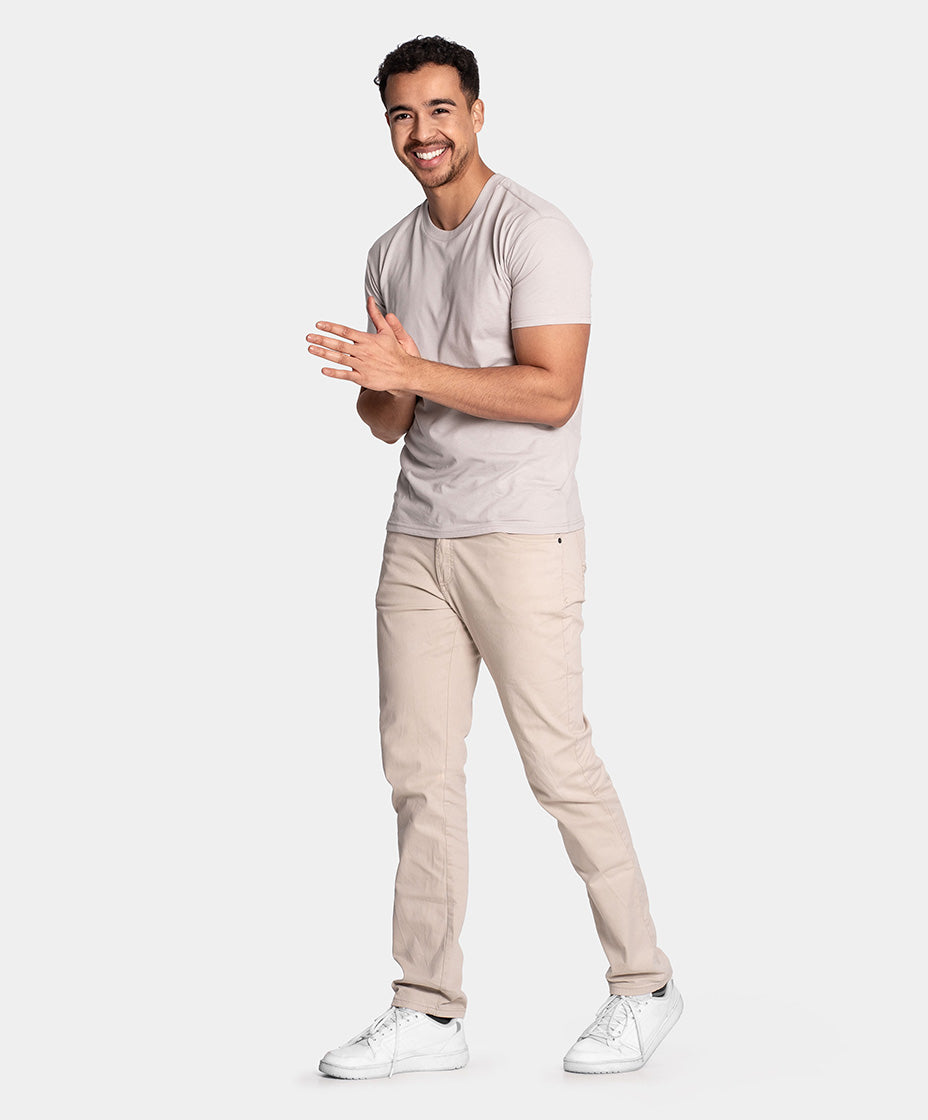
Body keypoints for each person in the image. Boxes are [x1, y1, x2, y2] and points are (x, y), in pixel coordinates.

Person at [307, 35, 682, 1080]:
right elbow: (389, 421)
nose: (420, 132)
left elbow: (551, 391)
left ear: (476, 112)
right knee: (418, 775)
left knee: (558, 761)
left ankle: (644, 984)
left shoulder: (537, 233)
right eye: (400, 115)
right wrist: (380, 378)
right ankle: (428, 1010)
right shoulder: (389, 252)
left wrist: (416, 367)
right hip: (417, 538)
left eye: (439, 109)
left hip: (520, 534)